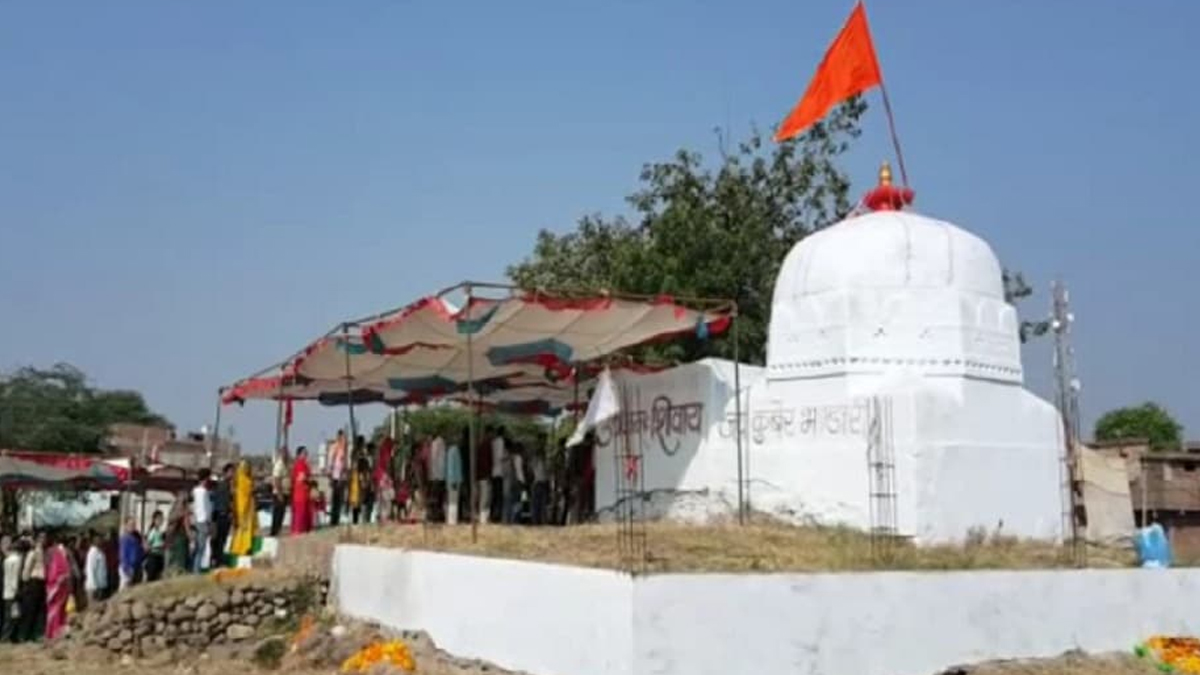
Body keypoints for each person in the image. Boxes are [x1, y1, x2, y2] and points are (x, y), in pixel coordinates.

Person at [18, 532, 47, 642]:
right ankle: (24, 635)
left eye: (44, 537)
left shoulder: (42, 551)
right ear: (37, 539)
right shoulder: (33, 552)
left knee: (39, 609)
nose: (44, 540)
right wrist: (26, 581)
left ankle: (35, 634)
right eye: (42, 537)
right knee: (31, 609)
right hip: (34, 581)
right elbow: (27, 568)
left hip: (40, 582)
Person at [44, 535, 72, 641]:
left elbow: (61, 571)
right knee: (56, 609)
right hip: (56, 586)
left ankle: (54, 631)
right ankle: (54, 631)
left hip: (56, 586)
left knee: (57, 609)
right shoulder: (57, 553)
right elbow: (62, 571)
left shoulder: (55, 553)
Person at [230, 460, 258, 557]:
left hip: (249, 506)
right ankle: (241, 548)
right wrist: (252, 490)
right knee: (243, 528)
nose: (247, 469)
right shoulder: (241, 478)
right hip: (243, 506)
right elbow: (243, 493)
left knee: (247, 528)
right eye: (245, 467)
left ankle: (246, 547)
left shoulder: (247, 478)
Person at [210, 463, 235, 569]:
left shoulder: (223, 484)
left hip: (219, 515)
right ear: (226, 472)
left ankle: (216, 560)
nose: (233, 474)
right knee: (220, 540)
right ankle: (218, 561)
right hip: (222, 515)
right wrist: (230, 512)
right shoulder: (224, 485)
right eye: (231, 472)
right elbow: (226, 501)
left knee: (219, 540)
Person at [191, 470, 213, 573]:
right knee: (201, 547)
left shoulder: (195, 491)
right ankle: (197, 569)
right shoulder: (203, 491)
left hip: (197, 520)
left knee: (198, 546)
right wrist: (208, 520)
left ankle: (196, 567)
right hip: (203, 520)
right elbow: (206, 508)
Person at [290, 446, 313, 535]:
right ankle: (298, 530)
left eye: (306, 452)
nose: (306, 454)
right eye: (304, 452)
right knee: (300, 511)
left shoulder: (304, 464)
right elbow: (301, 477)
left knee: (304, 510)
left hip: (303, 491)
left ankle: (303, 529)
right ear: (299, 454)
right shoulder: (300, 464)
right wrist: (309, 480)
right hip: (300, 491)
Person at [446, 428, 466, 525]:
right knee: (453, 501)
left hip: (456, 479)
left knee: (454, 500)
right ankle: (452, 520)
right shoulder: (453, 450)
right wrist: (453, 480)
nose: (460, 439)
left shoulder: (454, 450)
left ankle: (453, 519)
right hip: (454, 480)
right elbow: (451, 466)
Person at [1, 536, 19, 643]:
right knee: (13, 616)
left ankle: (6, 636)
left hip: (6, 591)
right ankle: (7, 637)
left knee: (8, 615)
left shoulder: (6, 560)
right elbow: (14, 577)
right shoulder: (16, 560)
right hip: (12, 592)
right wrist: (16, 590)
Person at [270, 446, 291, 537]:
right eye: (284, 453)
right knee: (277, 513)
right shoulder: (279, 464)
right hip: (279, 493)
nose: (286, 455)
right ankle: (274, 531)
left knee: (282, 513)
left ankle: (278, 530)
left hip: (285, 492)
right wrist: (279, 493)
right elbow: (277, 479)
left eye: (287, 453)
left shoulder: (286, 464)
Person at [329, 430, 348, 526]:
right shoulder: (335, 447)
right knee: (335, 499)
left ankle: (337, 518)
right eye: (342, 437)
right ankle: (333, 519)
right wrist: (331, 475)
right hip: (336, 476)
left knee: (340, 499)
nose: (344, 439)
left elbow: (345, 463)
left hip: (342, 476)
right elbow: (331, 462)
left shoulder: (345, 448)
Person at [118, 519, 142, 591]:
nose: (132, 527)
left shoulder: (135, 538)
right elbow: (123, 554)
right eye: (130, 525)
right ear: (126, 526)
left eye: (134, 525)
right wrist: (126, 568)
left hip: (135, 566)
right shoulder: (125, 538)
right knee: (125, 588)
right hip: (128, 567)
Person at [84, 533, 107, 603]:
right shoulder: (93, 552)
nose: (101, 541)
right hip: (94, 586)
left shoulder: (99, 551)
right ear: (94, 541)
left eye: (101, 539)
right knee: (94, 606)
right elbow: (90, 569)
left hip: (100, 585)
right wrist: (94, 585)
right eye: (99, 540)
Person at [144, 511, 166, 582]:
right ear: (154, 520)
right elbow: (147, 546)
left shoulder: (159, 531)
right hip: (153, 557)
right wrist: (158, 546)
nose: (161, 521)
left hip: (160, 557)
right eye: (159, 519)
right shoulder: (152, 531)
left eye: (162, 519)